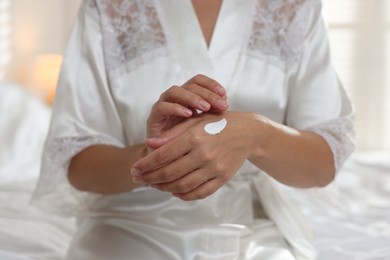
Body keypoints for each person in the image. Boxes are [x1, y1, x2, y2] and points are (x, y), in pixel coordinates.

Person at [32, 0, 355, 259]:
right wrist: (155, 155)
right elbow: (78, 165)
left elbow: (323, 161)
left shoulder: (295, 9)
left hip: (251, 225)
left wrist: (255, 134)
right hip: (130, 225)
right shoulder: (108, 9)